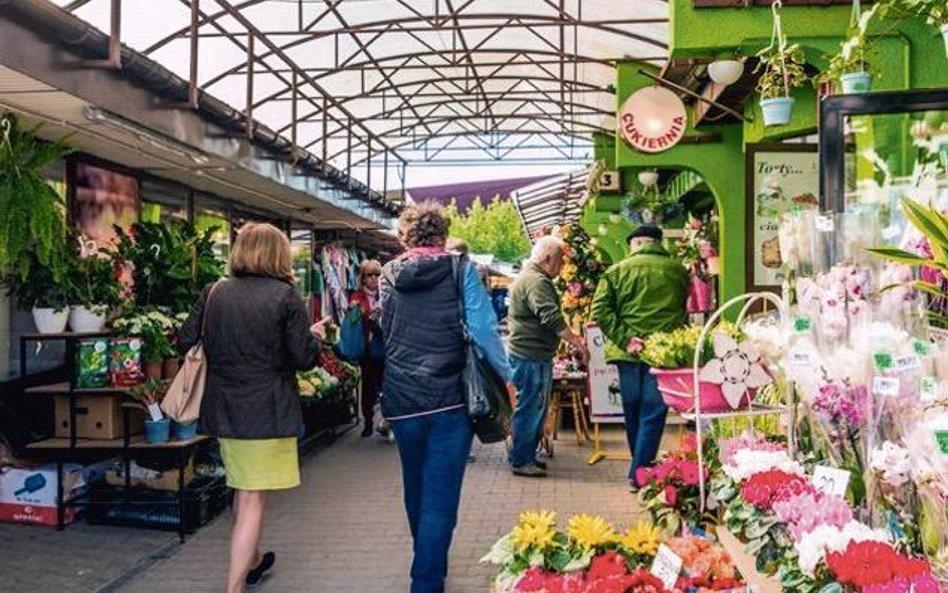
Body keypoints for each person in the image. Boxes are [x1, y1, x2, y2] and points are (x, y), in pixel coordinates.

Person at [178, 222, 327, 593]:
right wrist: (317, 338)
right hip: (268, 411)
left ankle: (255, 559)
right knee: (252, 498)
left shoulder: (214, 292)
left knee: (241, 489)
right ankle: (235, 587)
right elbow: (303, 357)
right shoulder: (285, 296)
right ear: (278, 254)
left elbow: (183, 340)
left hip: (224, 412)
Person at [379, 202, 511, 593]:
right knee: (440, 494)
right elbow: (485, 330)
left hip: (401, 397)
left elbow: (388, 326)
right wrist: (506, 377)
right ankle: (426, 579)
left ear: (405, 236)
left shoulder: (388, 274)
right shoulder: (460, 269)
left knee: (415, 487)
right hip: (451, 398)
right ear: (441, 233)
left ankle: (428, 558)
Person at [591, 225, 688, 488]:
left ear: (635, 244)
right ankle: (640, 471)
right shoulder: (679, 271)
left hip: (627, 354)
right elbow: (683, 310)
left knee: (632, 411)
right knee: (653, 412)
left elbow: (599, 311)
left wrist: (626, 338)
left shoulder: (616, 272)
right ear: (659, 243)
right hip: (663, 353)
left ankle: (638, 472)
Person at [506, 235, 588, 477]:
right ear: (547, 258)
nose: (562, 266)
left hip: (531, 354)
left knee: (533, 407)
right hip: (530, 355)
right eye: (560, 260)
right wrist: (575, 340)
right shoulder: (536, 281)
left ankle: (524, 455)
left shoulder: (532, 278)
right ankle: (522, 460)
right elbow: (550, 316)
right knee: (530, 408)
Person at [349, 259, 384, 437]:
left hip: (384, 347)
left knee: (386, 385)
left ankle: (387, 422)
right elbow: (353, 320)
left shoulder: (385, 294)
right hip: (367, 349)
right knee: (368, 387)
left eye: (377, 275)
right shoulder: (357, 297)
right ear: (363, 278)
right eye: (369, 275)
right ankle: (368, 421)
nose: (373, 279)